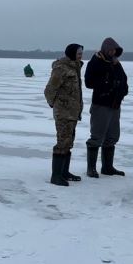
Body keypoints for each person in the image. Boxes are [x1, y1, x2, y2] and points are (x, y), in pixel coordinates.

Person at [84, 37, 129, 178]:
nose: (112, 52)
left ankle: (107, 167)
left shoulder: (116, 64)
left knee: (112, 136)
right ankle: (91, 169)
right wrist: (107, 84)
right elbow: (88, 82)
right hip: (101, 105)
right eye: (110, 50)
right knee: (97, 136)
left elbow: (124, 80)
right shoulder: (96, 62)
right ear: (104, 49)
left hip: (115, 105)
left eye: (114, 50)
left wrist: (122, 91)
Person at [44, 44, 84, 186]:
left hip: (73, 112)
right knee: (62, 143)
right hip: (63, 113)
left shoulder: (76, 67)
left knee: (68, 142)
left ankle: (64, 172)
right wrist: (55, 105)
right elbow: (50, 89)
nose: (81, 55)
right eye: (79, 53)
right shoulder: (61, 68)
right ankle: (56, 176)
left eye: (81, 53)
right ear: (72, 53)